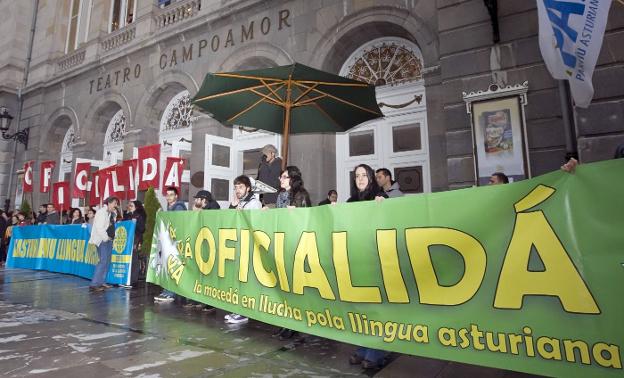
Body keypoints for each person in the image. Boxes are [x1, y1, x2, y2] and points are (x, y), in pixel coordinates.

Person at [347, 163, 388, 370]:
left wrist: (383, 207)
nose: (360, 179)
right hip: (356, 260)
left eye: (364, 175)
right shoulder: (351, 201)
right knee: (361, 307)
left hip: (375, 260)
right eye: (357, 176)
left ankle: (377, 351)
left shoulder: (380, 198)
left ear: (371, 178)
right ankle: (363, 347)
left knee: (375, 307)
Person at [273, 166, 310, 339]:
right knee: (284, 286)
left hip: (296, 244)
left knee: (294, 286)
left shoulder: (301, 195)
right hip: (282, 242)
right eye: (281, 176)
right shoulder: (280, 196)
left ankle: (294, 323)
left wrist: (296, 215)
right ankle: (284, 322)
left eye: (285, 177)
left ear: (293, 178)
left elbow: (308, 220)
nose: (281, 179)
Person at [225, 175, 262, 324]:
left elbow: (255, 224)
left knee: (246, 281)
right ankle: (238, 308)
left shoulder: (254, 204)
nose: (237, 190)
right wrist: (232, 207)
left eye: (240, 187)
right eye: (235, 187)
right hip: (238, 245)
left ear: (248, 188)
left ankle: (244, 312)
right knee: (238, 280)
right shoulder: (238, 203)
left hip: (249, 247)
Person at [184, 190, 220, 311]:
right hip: (202, 243)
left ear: (204, 200)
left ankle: (210, 303)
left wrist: (200, 212)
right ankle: (198, 299)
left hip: (211, 246)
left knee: (209, 276)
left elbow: (211, 221)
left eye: (197, 199)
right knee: (200, 274)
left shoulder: (214, 207)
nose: (195, 201)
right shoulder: (202, 208)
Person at [154, 186, 187, 303]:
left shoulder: (178, 207)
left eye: (171, 195)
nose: (168, 197)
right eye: (167, 195)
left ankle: (170, 293)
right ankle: (167, 291)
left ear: (176, 196)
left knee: (172, 267)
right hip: (169, 243)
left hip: (174, 244)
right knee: (168, 267)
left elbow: (176, 224)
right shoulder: (170, 207)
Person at [88, 196, 119, 292]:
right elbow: (99, 228)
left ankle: (101, 282)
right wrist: (106, 238)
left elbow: (111, 226)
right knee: (103, 261)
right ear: (109, 203)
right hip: (102, 240)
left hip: (108, 240)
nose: (116, 205)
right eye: (115, 203)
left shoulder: (110, 213)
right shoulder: (102, 212)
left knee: (107, 261)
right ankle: (94, 284)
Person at [122, 200, 147, 288]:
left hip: (136, 240)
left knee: (134, 260)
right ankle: (126, 279)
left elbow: (142, 229)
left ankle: (133, 280)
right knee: (128, 259)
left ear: (136, 207)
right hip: (127, 240)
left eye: (131, 205)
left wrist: (135, 223)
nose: (129, 206)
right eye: (129, 205)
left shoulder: (139, 216)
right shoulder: (128, 215)